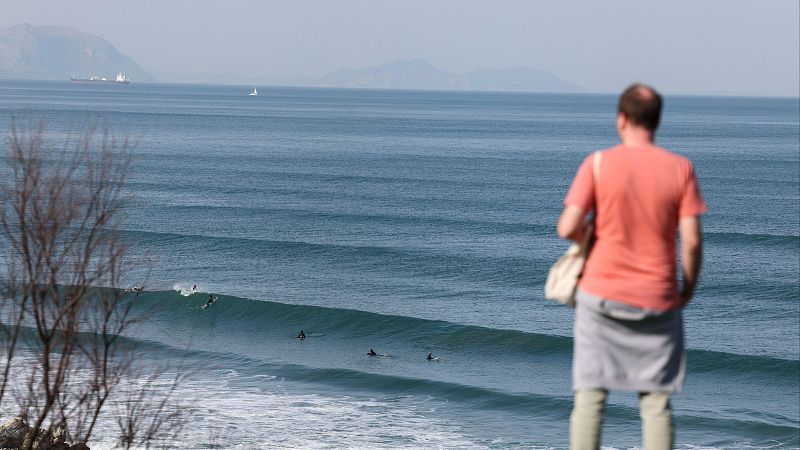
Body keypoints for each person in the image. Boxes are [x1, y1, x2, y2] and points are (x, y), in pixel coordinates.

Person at [557, 84, 705, 450]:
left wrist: (590, 232)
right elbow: (692, 241)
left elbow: (566, 228)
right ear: (656, 121)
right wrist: (687, 288)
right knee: (655, 402)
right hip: (658, 296)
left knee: (591, 396)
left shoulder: (598, 163)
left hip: (601, 295)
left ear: (621, 120)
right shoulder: (680, 168)